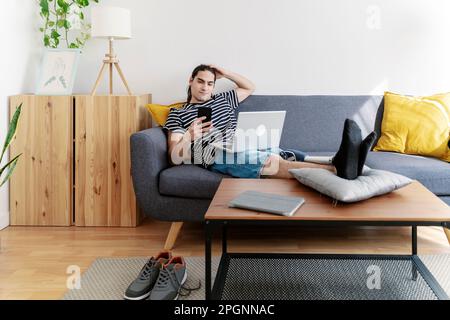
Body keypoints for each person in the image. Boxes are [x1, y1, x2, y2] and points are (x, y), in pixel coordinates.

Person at [163, 64, 376, 180]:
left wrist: (225, 73)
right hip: (213, 154)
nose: (205, 87)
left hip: (240, 143)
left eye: (210, 83)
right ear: (191, 81)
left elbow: (249, 87)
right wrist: (189, 136)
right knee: (272, 162)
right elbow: (174, 157)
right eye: (200, 81)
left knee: (281, 152)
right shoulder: (177, 114)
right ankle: (339, 171)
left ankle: (339, 159)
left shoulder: (223, 99)